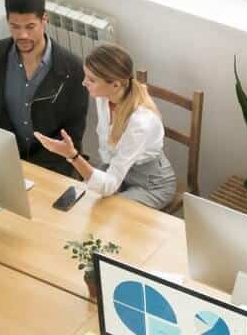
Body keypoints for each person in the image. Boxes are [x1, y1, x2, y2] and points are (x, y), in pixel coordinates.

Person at [0, 0, 89, 176]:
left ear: (44, 19)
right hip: (7, 157)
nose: (22, 35)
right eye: (15, 26)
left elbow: (73, 132)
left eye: (30, 27)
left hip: (51, 166)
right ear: (7, 21)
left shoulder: (72, 69)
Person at [34, 44, 178, 210]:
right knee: (81, 205)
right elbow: (110, 164)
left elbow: (109, 184)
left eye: (91, 80)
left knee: (107, 213)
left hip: (151, 184)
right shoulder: (104, 96)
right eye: (86, 76)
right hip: (116, 169)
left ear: (115, 85)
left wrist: (73, 156)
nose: (83, 83)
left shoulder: (140, 123)